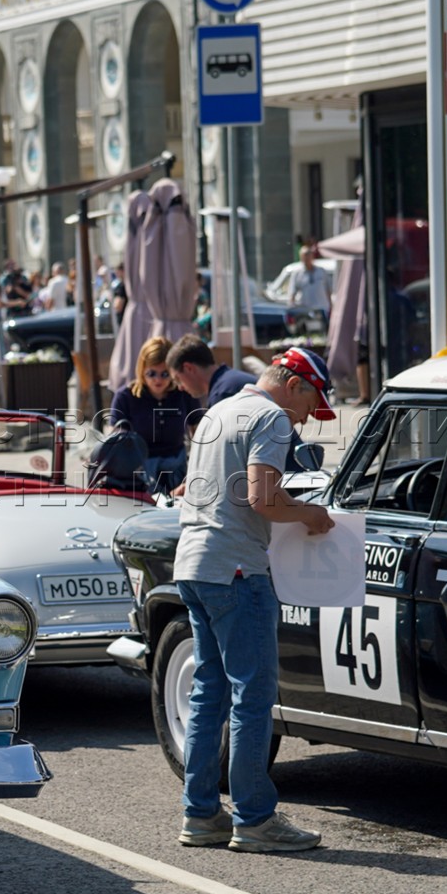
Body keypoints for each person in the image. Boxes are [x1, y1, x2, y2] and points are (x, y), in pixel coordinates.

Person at [175, 347, 337, 854]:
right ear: (294, 384)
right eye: (313, 401)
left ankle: (201, 814)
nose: (310, 416)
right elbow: (262, 498)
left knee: (209, 694)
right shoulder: (270, 417)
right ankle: (254, 818)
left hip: (194, 564)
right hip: (239, 570)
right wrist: (310, 516)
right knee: (252, 697)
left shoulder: (217, 412)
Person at [109, 336, 195, 494]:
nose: (158, 380)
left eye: (165, 374)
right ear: (141, 370)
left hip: (178, 472)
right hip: (139, 475)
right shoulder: (125, 397)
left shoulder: (184, 393)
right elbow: (115, 442)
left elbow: (199, 435)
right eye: (151, 373)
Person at [166, 334, 257, 418]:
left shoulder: (222, 395)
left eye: (178, 379)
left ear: (189, 368)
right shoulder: (232, 380)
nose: (180, 387)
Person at [286, 242, 334, 330]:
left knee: (324, 332)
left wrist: (331, 307)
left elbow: (328, 290)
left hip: (322, 309)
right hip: (305, 311)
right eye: (305, 255)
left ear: (312, 257)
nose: (307, 258)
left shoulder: (321, 271)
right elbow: (292, 293)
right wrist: (292, 309)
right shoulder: (297, 274)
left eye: (309, 255)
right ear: (301, 258)